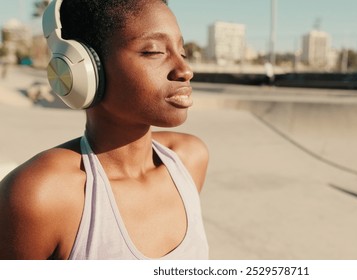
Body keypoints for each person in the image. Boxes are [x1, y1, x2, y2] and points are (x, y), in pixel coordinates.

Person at [0, 0, 209, 260]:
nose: (185, 70)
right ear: (83, 68)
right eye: (154, 52)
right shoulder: (40, 195)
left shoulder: (189, 159)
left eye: (183, 52)